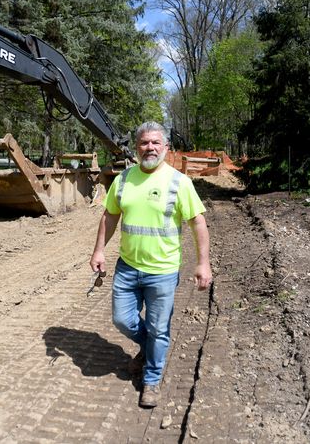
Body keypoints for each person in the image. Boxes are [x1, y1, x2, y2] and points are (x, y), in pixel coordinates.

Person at [90, 121, 212, 408]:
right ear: (136, 148)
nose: (150, 148)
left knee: (159, 329)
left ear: (166, 148)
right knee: (122, 319)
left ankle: (152, 380)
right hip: (128, 267)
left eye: (156, 142)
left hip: (163, 272)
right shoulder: (123, 180)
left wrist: (203, 263)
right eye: (144, 143)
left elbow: (198, 223)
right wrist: (98, 251)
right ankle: (150, 349)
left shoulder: (179, 182)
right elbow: (109, 216)